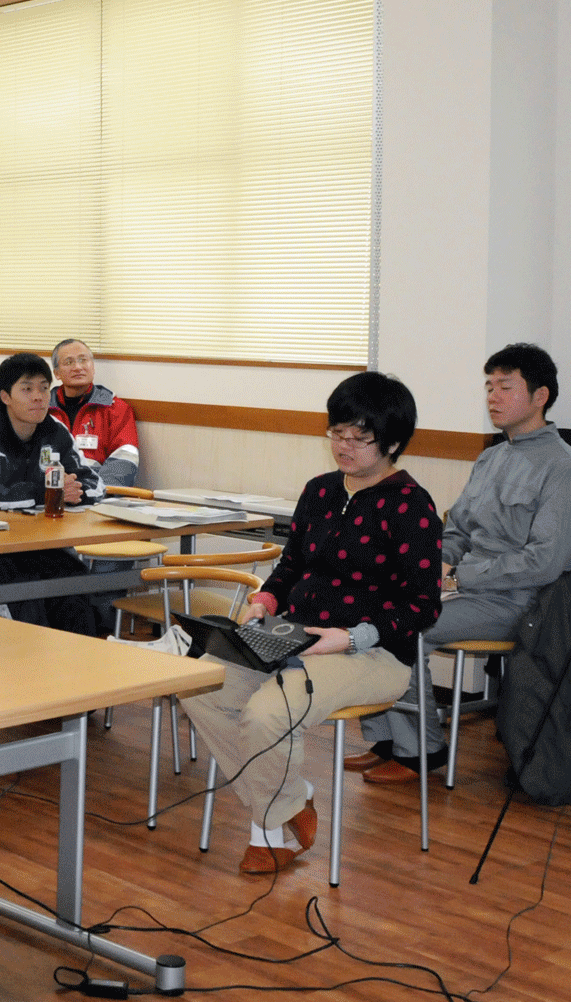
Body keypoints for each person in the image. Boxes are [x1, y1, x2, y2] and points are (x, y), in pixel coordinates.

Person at [180, 371, 443, 873]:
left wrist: (349, 636)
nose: (344, 447)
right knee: (200, 688)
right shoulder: (320, 491)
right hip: (291, 637)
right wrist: (267, 600)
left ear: (391, 443)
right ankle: (292, 800)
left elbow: (422, 606)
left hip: (373, 653)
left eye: (360, 438)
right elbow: (291, 565)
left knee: (266, 715)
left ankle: (268, 834)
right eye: (337, 433)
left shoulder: (411, 506)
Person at [357, 343, 571, 785]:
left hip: (522, 604)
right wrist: (433, 565)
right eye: (489, 386)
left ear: (540, 396)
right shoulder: (493, 457)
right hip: (470, 590)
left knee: (405, 627)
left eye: (505, 387)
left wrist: (459, 574)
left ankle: (420, 752)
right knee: (368, 609)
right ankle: (386, 741)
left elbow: (543, 563)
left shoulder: (565, 469)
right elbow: (457, 530)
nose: (492, 396)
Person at [0, 353, 104, 629]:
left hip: (35, 541)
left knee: (73, 582)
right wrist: (45, 492)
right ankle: (23, 666)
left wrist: (74, 492)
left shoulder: (56, 431)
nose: (39, 397)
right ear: (5, 396)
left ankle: (76, 667)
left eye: (44, 388)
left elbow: (94, 483)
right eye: (27, 389)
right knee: (22, 591)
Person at [48, 339, 141, 488]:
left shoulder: (116, 409)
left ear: (93, 367)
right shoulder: (41, 409)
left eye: (83, 360)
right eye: (69, 362)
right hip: (47, 494)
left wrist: (89, 493)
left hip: (96, 498)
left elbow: (124, 463)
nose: (78, 367)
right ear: (57, 373)